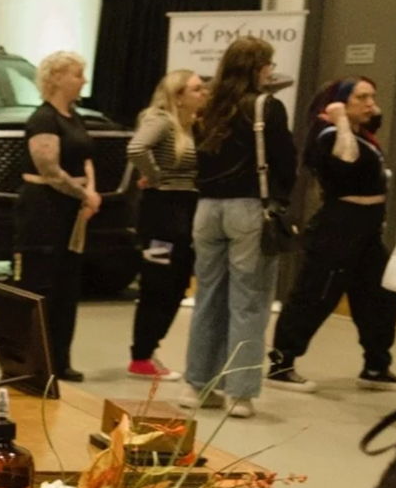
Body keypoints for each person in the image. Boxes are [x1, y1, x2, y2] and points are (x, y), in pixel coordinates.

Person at [266, 77, 396, 393]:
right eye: (361, 97)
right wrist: (339, 119)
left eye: (372, 96)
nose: (370, 103)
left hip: (367, 229)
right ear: (341, 103)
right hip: (339, 227)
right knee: (316, 293)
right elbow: (344, 162)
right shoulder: (329, 133)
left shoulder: (365, 137)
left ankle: (376, 366)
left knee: (381, 295)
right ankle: (282, 364)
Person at [182, 37, 292, 418]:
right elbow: (284, 160)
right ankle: (240, 394)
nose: (270, 71)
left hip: (207, 208)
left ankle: (202, 386)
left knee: (208, 298)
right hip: (249, 209)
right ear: (257, 67)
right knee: (249, 301)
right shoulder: (267, 107)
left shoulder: (208, 106)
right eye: (268, 64)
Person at [12, 50, 101, 383]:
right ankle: (32, 360)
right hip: (44, 209)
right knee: (41, 283)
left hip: (73, 210)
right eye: (77, 74)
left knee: (67, 285)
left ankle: (60, 359)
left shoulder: (74, 117)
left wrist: (90, 192)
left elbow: (86, 158)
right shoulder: (43, 119)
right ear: (57, 78)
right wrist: (83, 194)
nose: (83, 81)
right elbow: (48, 168)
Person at [124, 69, 206, 380]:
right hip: (162, 213)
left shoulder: (192, 126)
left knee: (177, 284)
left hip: (185, 210)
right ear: (178, 95)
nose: (203, 94)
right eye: (197, 89)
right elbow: (135, 148)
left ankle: (149, 349)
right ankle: (141, 354)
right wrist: (156, 176)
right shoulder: (159, 120)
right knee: (157, 284)